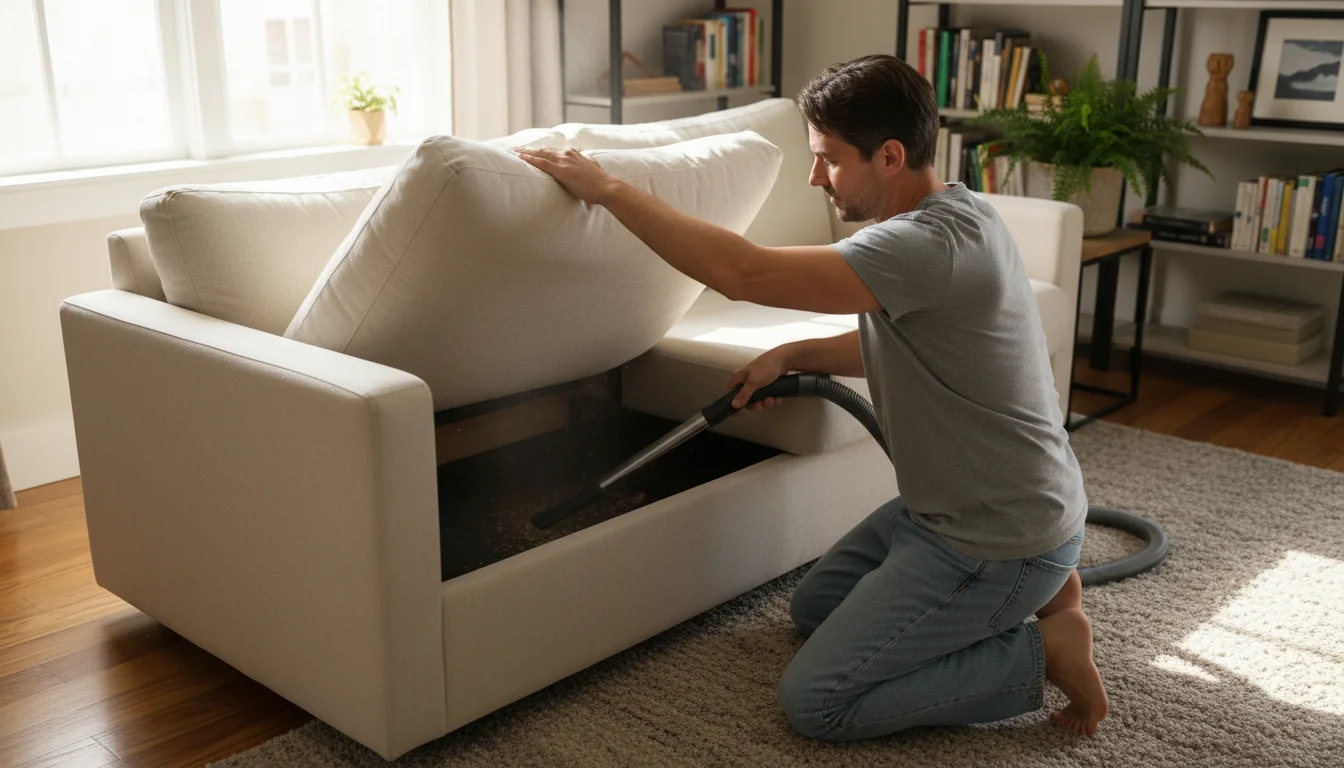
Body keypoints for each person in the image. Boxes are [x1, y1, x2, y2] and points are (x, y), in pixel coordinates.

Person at [514, 53, 1107, 739]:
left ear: (888, 156)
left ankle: (1041, 650)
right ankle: (1036, 600)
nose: (813, 176)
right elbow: (925, 350)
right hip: (949, 513)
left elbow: (741, 271)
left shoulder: (923, 245)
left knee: (818, 701)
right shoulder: (960, 210)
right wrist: (794, 355)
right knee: (816, 608)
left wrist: (609, 190)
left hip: (993, 537)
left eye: (827, 159)